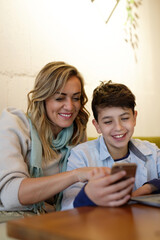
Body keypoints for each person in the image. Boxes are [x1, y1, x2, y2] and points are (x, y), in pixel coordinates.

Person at [0, 61, 102, 216]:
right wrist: (76, 175)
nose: (70, 106)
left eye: (76, 98)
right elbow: (9, 196)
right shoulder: (15, 123)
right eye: (60, 98)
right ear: (43, 97)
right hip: (11, 216)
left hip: (52, 217)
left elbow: (75, 193)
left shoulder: (76, 132)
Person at [61, 80, 160, 210]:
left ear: (134, 118)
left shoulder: (151, 151)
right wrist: (88, 194)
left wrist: (146, 189)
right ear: (97, 126)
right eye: (108, 122)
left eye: (124, 118)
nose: (118, 128)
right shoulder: (81, 155)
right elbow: (68, 206)